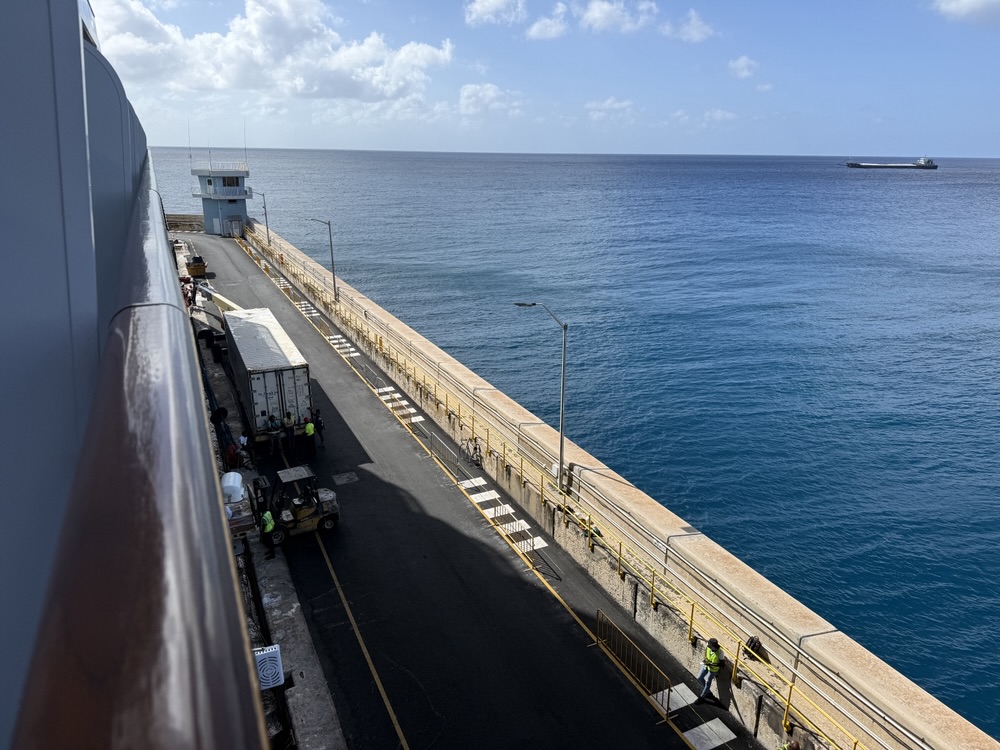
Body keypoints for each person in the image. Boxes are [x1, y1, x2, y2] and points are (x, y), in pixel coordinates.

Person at [695, 637, 723, 702]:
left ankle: (702, 697)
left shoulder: (720, 652)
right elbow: (706, 656)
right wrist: (705, 661)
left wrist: (712, 664)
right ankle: (708, 691)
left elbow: (722, 664)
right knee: (699, 677)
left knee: (708, 681)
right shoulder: (708, 648)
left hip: (713, 669)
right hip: (706, 665)